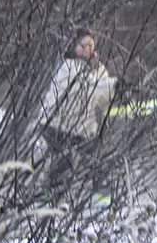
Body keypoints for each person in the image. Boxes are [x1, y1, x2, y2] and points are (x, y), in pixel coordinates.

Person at [37, 29, 117, 192]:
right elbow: (88, 87)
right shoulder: (68, 66)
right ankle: (49, 197)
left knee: (99, 160)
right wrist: (114, 85)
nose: (88, 49)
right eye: (83, 45)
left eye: (91, 46)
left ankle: (100, 198)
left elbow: (102, 97)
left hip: (80, 130)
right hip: (57, 126)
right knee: (64, 163)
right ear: (74, 47)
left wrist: (119, 92)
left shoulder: (98, 70)